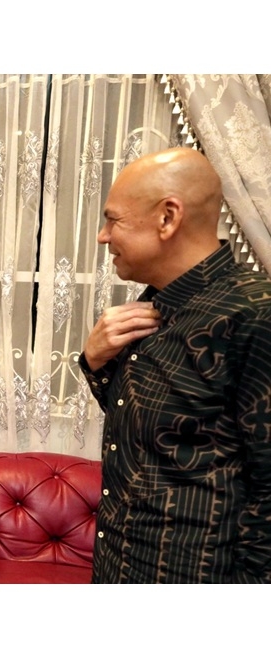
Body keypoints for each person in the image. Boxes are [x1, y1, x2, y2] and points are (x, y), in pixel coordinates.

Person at [81, 147, 271, 583]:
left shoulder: (254, 313)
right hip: (119, 568)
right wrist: (94, 362)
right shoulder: (155, 304)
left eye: (114, 220)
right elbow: (150, 427)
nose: (103, 236)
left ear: (168, 218)